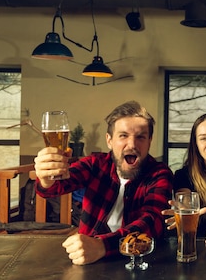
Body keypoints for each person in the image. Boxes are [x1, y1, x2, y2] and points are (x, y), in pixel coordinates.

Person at [34, 100, 173, 265]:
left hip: (139, 262)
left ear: (149, 141)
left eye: (140, 137)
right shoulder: (95, 164)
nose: (132, 144)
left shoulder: (159, 173)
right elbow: (53, 188)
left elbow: (152, 222)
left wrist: (103, 246)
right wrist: (45, 178)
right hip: (89, 260)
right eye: (123, 136)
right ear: (109, 140)